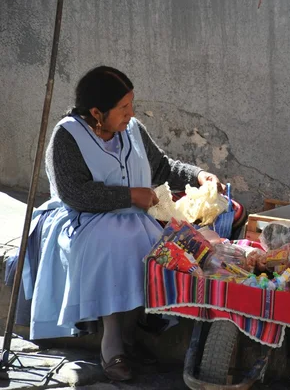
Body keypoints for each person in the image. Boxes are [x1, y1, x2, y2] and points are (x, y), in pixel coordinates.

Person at [21, 66, 225, 381]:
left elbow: (163, 167)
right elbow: (75, 194)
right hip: (82, 219)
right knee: (120, 241)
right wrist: (129, 196)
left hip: (134, 214)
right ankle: (111, 344)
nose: (131, 113)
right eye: (123, 108)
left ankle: (131, 336)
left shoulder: (132, 130)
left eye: (131, 105)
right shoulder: (67, 136)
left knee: (165, 243)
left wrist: (198, 175)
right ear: (96, 113)